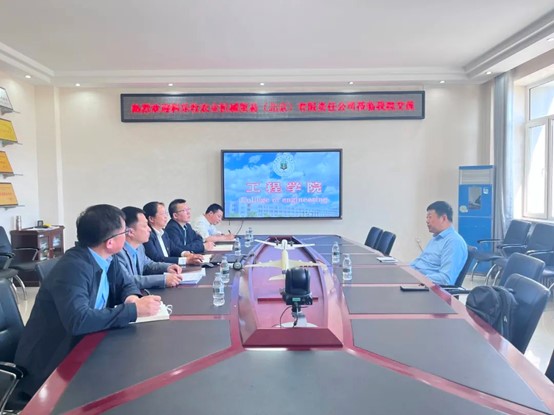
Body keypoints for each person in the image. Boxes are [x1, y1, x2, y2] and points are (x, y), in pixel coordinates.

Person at [14, 204, 161, 398]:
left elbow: (126, 284)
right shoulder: (73, 268)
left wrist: (131, 297)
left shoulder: (108, 258)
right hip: (52, 365)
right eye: (124, 232)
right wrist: (133, 310)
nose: (127, 235)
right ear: (110, 242)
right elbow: (78, 320)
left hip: (85, 345)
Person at [116, 206, 184, 289]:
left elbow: (148, 264)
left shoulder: (140, 247)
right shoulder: (118, 252)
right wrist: (162, 279)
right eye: (145, 226)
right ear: (130, 232)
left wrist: (168, 267)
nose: (149, 229)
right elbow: (127, 280)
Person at [410, 201, 468, 285]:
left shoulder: (454, 242)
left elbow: (445, 279)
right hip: (417, 280)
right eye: (427, 218)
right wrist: (405, 270)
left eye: (430, 217)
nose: (427, 221)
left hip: (428, 287)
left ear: (443, 218)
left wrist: (419, 278)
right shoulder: (436, 238)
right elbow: (419, 262)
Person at [142, 201, 203, 266]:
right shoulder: (147, 236)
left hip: (170, 268)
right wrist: (185, 260)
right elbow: (156, 259)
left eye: (166, 213)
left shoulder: (163, 233)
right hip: (161, 270)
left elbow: (173, 248)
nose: (166, 216)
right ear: (151, 219)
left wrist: (187, 254)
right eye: (162, 214)